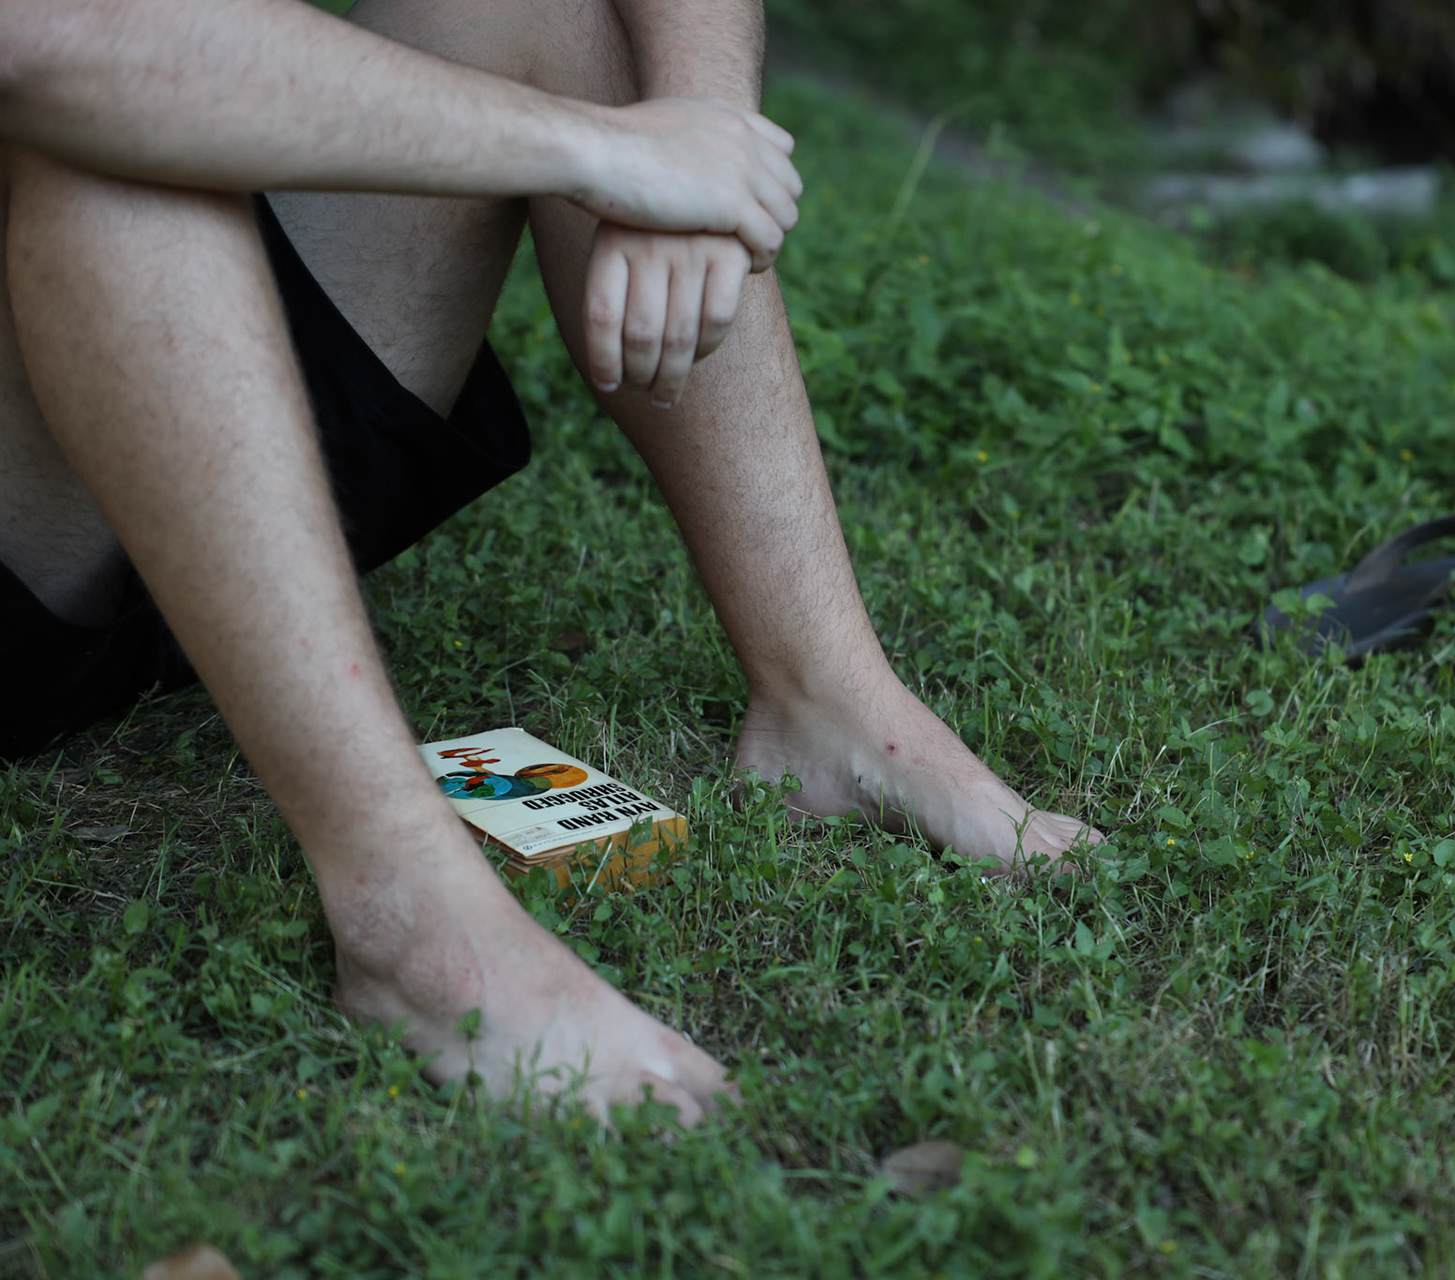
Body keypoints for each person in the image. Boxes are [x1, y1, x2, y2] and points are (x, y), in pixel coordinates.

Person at [0, 0, 1100, 1125]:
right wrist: (610, 152)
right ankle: (407, 920)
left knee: (546, 10)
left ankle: (825, 696)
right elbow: (49, 42)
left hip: (181, 445)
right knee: (111, 121)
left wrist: (701, 125)